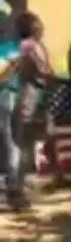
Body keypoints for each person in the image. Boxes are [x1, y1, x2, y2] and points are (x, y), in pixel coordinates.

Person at [14, 12, 55, 189]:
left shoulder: (35, 45)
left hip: (35, 93)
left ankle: (26, 175)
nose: (41, 26)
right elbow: (43, 70)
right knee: (26, 136)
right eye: (37, 23)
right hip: (32, 94)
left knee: (30, 135)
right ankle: (21, 177)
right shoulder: (30, 46)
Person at [0, 31, 22, 210]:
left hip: (6, 97)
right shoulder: (11, 49)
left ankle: (12, 186)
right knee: (8, 142)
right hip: (7, 97)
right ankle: (12, 187)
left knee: (8, 141)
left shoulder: (10, 50)